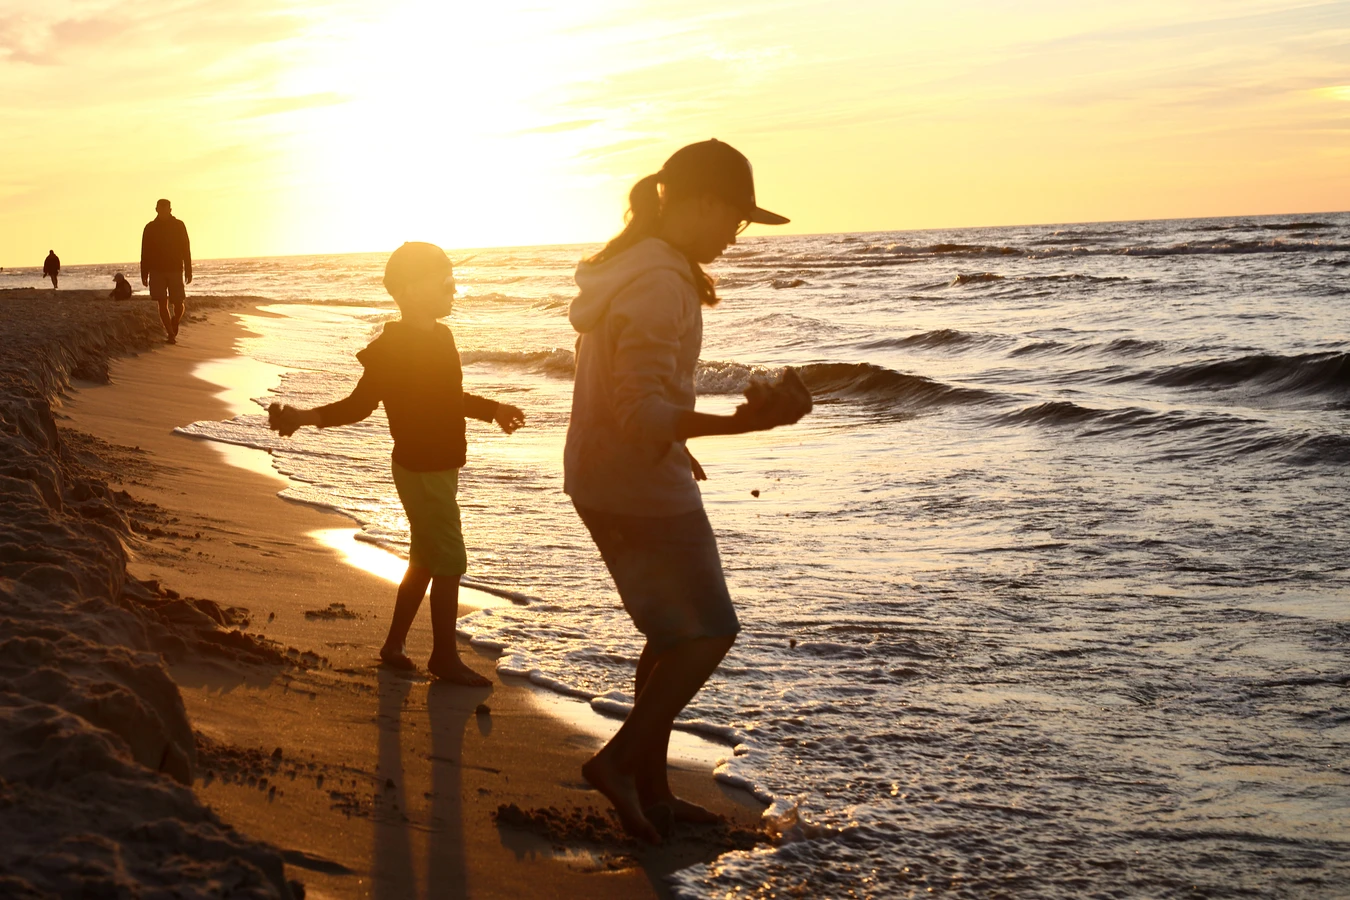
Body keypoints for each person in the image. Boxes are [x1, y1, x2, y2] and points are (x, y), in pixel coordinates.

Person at [564, 139, 811, 843]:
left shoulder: (636, 267)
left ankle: (654, 789)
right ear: (700, 201)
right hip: (634, 482)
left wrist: (683, 441)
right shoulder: (659, 282)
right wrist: (748, 423)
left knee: (672, 635)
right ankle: (616, 763)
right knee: (709, 633)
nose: (734, 239)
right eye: (733, 220)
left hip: (607, 472)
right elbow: (639, 411)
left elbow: (628, 399)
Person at [267, 242, 526, 684]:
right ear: (407, 290)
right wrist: (303, 418)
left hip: (442, 467)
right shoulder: (390, 349)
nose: (452, 289)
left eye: (453, 279)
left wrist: (492, 409)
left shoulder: (443, 337)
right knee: (450, 558)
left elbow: (448, 397)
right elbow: (358, 405)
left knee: (425, 557)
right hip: (419, 468)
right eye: (442, 280)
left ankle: (393, 645)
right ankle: (444, 657)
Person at [141, 199, 192, 343]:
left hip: (175, 269)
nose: (163, 211)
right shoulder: (150, 228)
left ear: (170, 210)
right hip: (156, 270)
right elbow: (145, 251)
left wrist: (188, 270)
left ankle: (175, 320)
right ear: (156, 209)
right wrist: (144, 272)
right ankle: (170, 334)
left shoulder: (179, 225)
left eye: (166, 209)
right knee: (162, 302)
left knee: (179, 303)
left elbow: (186, 248)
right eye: (160, 209)